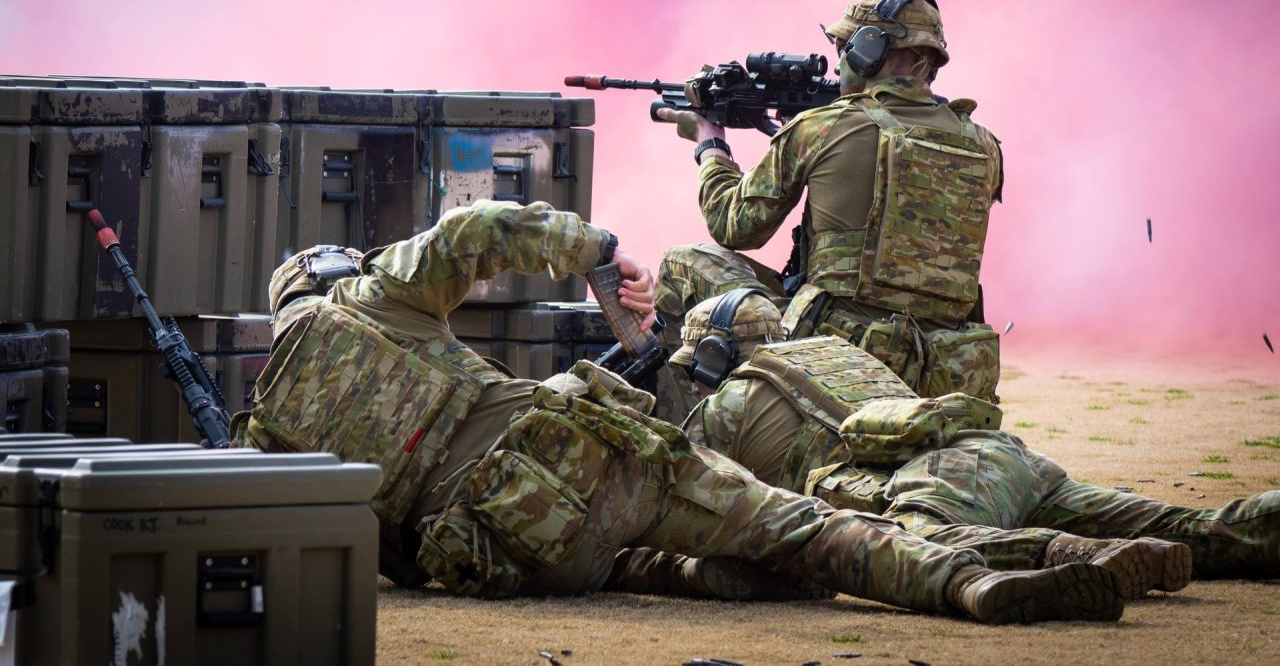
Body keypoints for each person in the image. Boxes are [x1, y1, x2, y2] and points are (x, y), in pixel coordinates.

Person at [234, 199, 1126, 624]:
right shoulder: (371, 300)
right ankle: (967, 580)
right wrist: (595, 250)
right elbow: (478, 233)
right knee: (799, 526)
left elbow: (376, 554)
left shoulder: (270, 434)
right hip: (583, 460)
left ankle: (720, 571)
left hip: (521, 555)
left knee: (658, 562)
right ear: (337, 277)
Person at [626, 291, 1277, 598]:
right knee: (1188, 524)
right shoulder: (835, 354)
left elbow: (681, 495)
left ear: (712, 355)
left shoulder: (728, 404)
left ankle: (1081, 553)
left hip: (937, 483)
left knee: (921, 541)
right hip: (1005, 456)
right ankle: (1257, 526)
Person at [655, 0, 1003, 422]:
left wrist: (710, 145)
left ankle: (698, 433)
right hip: (946, 369)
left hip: (838, 362)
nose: (837, 63)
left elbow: (734, 225)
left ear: (868, 51)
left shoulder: (822, 127)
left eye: (843, 47)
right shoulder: (984, 145)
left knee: (683, 262)